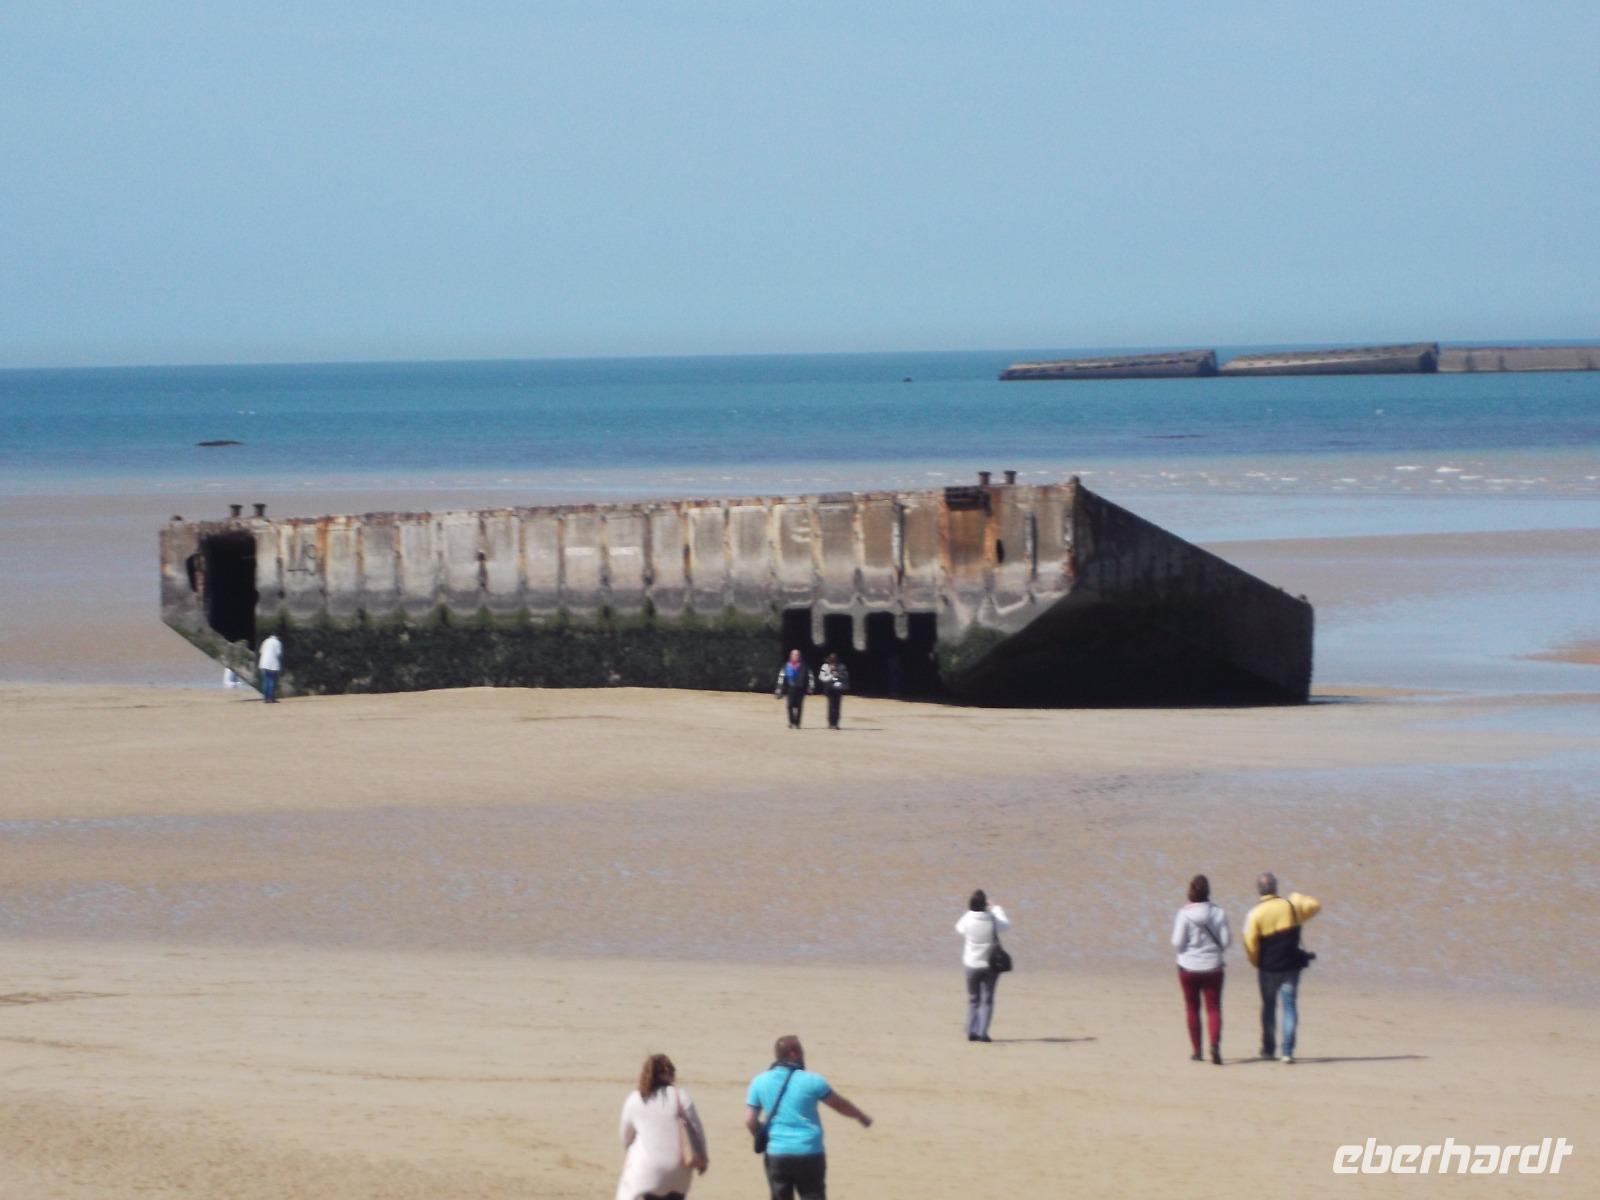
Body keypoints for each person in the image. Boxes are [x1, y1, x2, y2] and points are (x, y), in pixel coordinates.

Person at [745, 1035, 872, 1200]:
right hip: (809, 1152)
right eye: (801, 1051)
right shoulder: (812, 1081)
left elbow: (749, 1120)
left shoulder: (759, 1081)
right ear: (793, 1054)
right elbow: (839, 1104)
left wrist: (763, 1137)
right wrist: (860, 1116)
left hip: (777, 1154)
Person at [1242, 872, 1321, 1063]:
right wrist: (1296, 896)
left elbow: (1249, 943)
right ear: (1276, 887)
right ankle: (1287, 1051)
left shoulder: (1255, 914)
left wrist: (1255, 962)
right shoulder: (1291, 906)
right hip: (1291, 966)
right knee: (1289, 1006)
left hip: (1268, 968)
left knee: (1268, 1007)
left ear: (1259, 890)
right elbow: (1315, 905)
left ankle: (1269, 1049)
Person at [616, 1053, 707, 1200]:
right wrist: (703, 1160)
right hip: (679, 1174)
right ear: (671, 1074)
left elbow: (625, 1139)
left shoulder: (635, 1099)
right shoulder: (681, 1096)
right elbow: (697, 1132)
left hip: (646, 1174)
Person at [1171, 873, 1230, 1064]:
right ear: (1208, 892)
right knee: (1214, 1008)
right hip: (1213, 967)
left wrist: (1190, 949)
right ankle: (1215, 1045)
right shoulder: (1218, 912)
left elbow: (1177, 942)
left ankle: (1197, 1051)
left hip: (1188, 967)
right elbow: (1226, 941)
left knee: (1192, 1008)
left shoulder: (1183, 914)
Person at [954, 889, 1010, 1042]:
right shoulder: (992, 918)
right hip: (990, 965)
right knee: (987, 1000)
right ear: (985, 903)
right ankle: (982, 1033)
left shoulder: (968, 918)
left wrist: (970, 912)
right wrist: (996, 909)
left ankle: (971, 1030)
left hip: (971, 965)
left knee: (973, 999)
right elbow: (1006, 926)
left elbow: (959, 928)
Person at [773, 649, 813, 729]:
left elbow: (810, 677)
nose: (795, 656)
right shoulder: (786, 666)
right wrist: (779, 688)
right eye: (794, 654)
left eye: (797, 655)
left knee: (799, 706)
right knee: (790, 706)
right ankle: (791, 722)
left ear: (799, 656)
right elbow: (781, 678)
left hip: (800, 688)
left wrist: (810, 687)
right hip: (790, 688)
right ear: (791, 656)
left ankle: (797, 723)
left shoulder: (804, 666)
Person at [817, 653, 849, 730]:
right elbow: (821, 677)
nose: (833, 661)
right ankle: (831, 723)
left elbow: (845, 677)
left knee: (837, 707)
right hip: (829, 689)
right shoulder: (825, 666)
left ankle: (836, 724)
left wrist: (838, 675)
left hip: (838, 689)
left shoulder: (842, 666)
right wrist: (831, 676)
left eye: (834, 659)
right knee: (831, 706)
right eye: (831, 659)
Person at [257, 633, 283, 703]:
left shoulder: (265, 641)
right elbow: (278, 653)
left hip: (264, 663)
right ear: (277, 637)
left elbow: (261, 651)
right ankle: (271, 698)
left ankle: (265, 698)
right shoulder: (277, 642)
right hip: (273, 664)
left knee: (265, 681)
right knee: (272, 681)